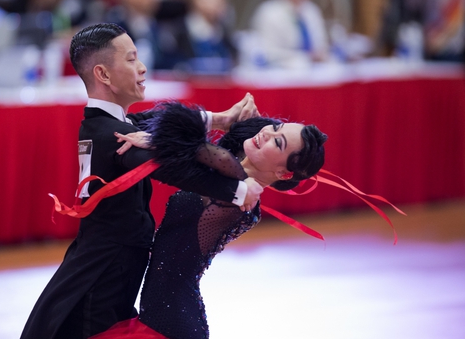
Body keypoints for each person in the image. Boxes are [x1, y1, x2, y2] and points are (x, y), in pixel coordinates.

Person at [20, 23, 262, 339]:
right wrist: (237, 190)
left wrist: (220, 119)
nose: (143, 68)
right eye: (132, 59)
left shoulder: (106, 124)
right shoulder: (114, 136)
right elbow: (171, 168)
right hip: (103, 280)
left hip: (109, 267)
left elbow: (159, 119)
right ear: (104, 75)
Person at [81, 101, 327, 339]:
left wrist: (157, 140)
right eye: (275, 127)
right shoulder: (233, 176)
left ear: (283, 173)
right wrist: (235, 119)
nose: (266, 133)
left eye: (278, 141)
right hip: (166, 315)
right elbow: (194, 145)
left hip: (170, 324)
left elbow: (186, 139)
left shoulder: (238, 190)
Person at [250, 0, 329, 69]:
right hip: (282, 77)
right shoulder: (268, 12)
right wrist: (304, 58)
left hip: (315, 75)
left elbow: (321, 46)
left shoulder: (312, 11)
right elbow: (267, 53)